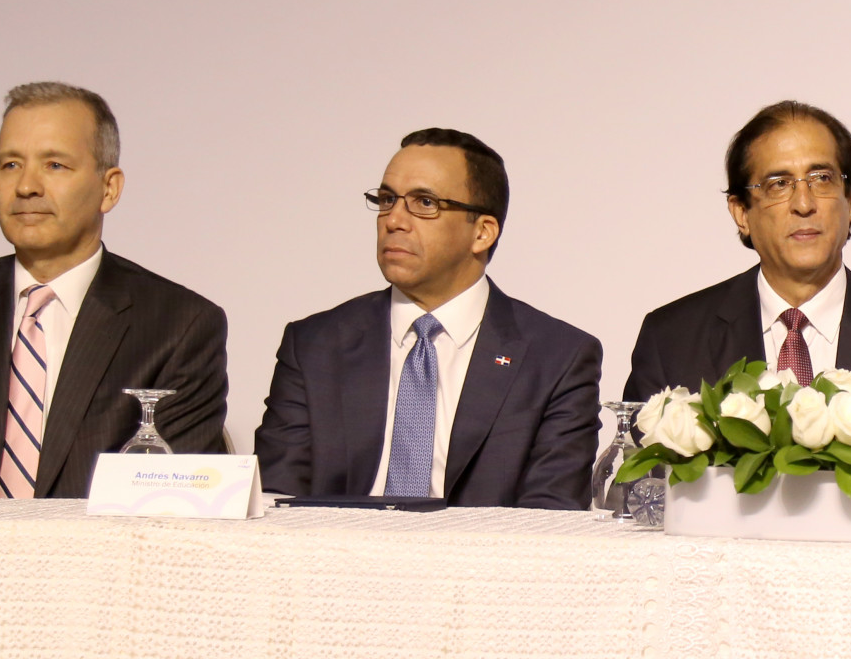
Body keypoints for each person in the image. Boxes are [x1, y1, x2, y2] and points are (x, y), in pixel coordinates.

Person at [625, 100, 851, 522]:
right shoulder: (670, 340)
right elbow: (640, 505)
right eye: (778, 184)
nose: (803, 203)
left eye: (822, 179)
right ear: (740, 212)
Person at [0, 82, 228, 498]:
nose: (26, 187)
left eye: (54, 165)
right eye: (10, 164)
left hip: (103, 542)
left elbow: (176, 504)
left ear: (109, 188)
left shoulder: (179, 325)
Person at [254, 128, 601, 508]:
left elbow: (549, 516)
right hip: (329, 545)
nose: (394, 220)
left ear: (482, 233)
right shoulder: (315, 344)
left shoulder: (557, 358)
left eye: (424, 203)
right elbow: (276, 498)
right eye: (387, 199)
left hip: (483, 547)